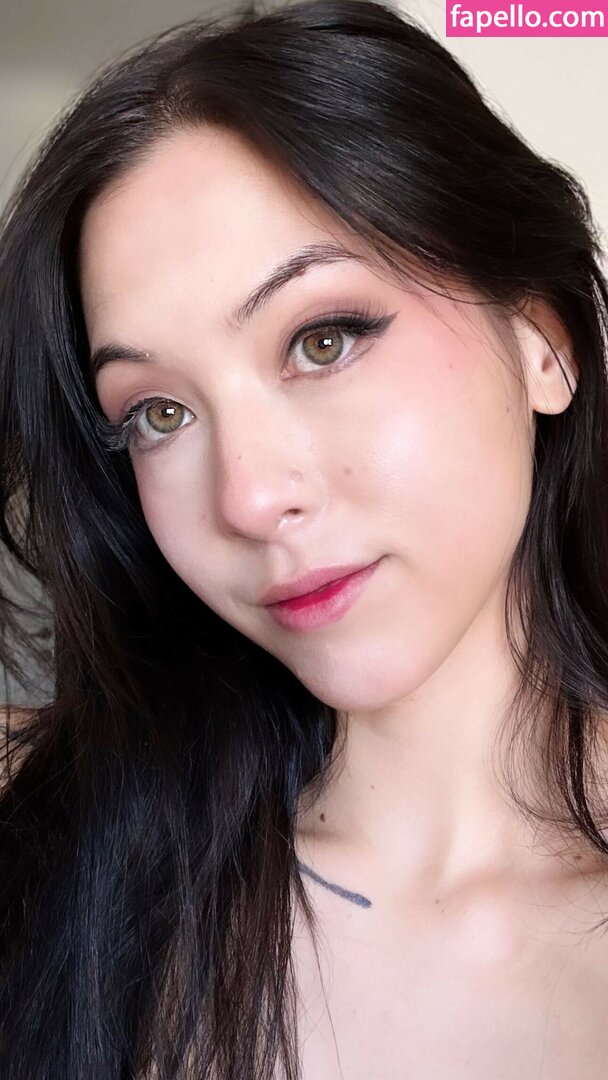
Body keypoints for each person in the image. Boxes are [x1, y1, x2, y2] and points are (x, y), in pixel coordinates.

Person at [1, 0, 608, 1075]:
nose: (247, 498)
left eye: (322, 340)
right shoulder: (65, 870)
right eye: (159, 414)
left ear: (541, 343)